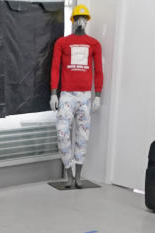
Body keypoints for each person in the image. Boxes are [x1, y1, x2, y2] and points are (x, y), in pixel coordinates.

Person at [50, 3, 104, 188]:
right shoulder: (62, 43)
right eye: (77, 18)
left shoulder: (94, 44)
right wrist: (53, 93)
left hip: (84, 97)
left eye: (83, 19)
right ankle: (68, 174)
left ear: (87, 21)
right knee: (62, 132)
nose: (80, 22)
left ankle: (79, 176)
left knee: (83, 136)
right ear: (72, 20)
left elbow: (98, 71)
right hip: (66, 95)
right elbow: (55, 68)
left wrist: (97, 94)